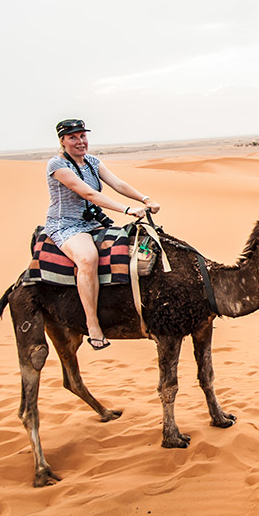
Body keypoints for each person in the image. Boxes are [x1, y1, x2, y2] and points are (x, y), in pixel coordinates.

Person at [46, 119, 160, 350]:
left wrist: (144, 199)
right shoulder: (57, 166)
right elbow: (88, 193)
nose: (80, 142)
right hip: (65, 225)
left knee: (133, 247)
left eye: (82, 136)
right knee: (88, 258)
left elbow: (118, 183)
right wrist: (127, 210)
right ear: (62, 141)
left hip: (93, 224)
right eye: (73, 137)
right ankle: (93, 325)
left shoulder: (93, 162)